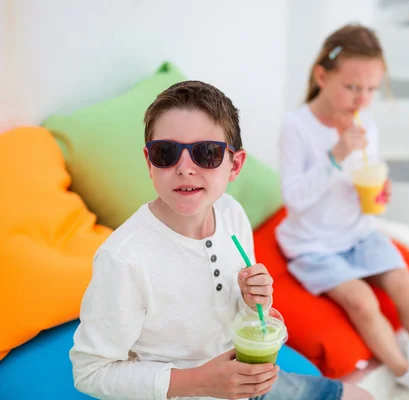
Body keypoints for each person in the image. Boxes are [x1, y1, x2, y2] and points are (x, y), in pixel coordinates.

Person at [69, 80, 372, 400]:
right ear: (149, 162)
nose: (185, 168)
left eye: (207, 153)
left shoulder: (231, 213)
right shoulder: (124, 259)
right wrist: (201, 382)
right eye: (166, 153)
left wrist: (257, 305)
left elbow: (241, 316)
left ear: (235, 165)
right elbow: (90, 371)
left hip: (249, 379)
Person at [276, 24, 409, 400]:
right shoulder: (296, 127)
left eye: (371, 89)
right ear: (322, 76)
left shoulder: (367, 126)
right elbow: (295, 199)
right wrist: (336, 156)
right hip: (312, 244)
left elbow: (366, 176)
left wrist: (381, 190)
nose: (362, 99)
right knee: (361, 300)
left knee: (405, 283)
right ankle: (408, 372)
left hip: (358, 233)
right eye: (352, 87)